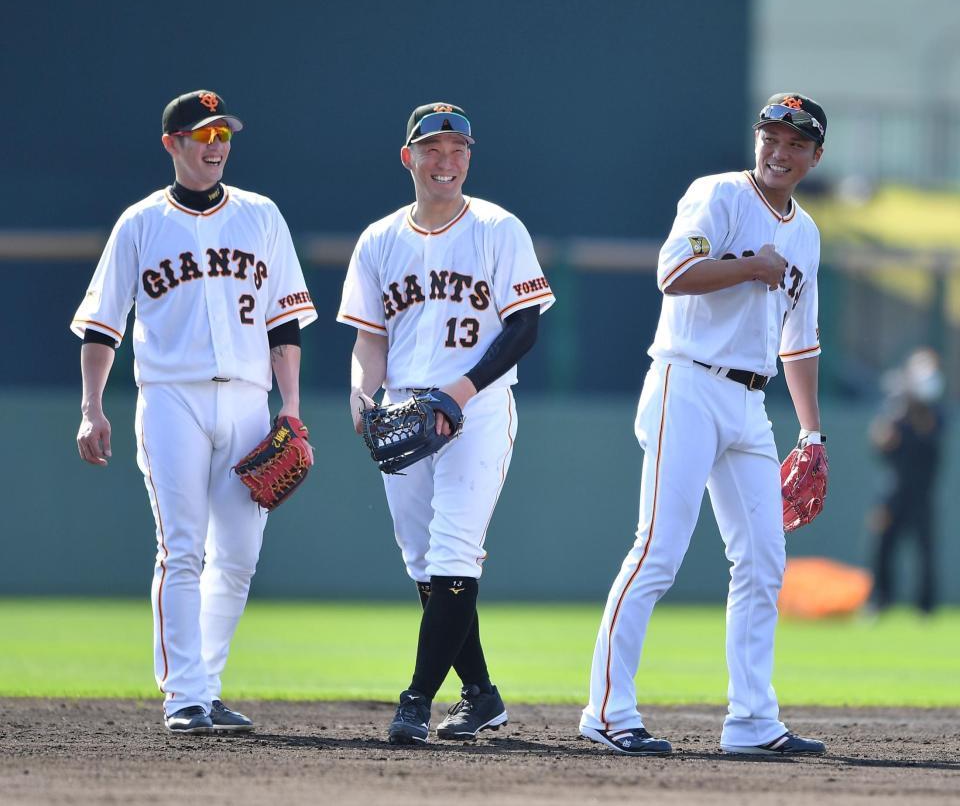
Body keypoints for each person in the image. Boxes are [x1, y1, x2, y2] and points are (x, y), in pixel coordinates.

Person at [579, 94, 830, 756]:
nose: (779, 151)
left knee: (764, 560)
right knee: (658, 549)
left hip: (752, 403)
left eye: (795, 142)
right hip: (686, 382)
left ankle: (751, 720)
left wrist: (812, 434)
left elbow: (799, 343)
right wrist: (752, 265)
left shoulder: (806, 233)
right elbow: (673, 272)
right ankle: (606, 710)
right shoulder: (717, 195)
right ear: (757, 140)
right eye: (771, 136)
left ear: (815, 156)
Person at [72, 90, 316, 734]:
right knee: (181, 548)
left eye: (223, 134)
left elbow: (284, 321)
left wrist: (288, 409)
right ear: (171, 144)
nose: (215, 145)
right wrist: (91, 408)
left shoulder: (261, 216)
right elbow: (101, 327)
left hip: (246, 399)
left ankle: (203, 685)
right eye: (202, 134)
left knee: (236, 555)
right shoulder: (140, 223)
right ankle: (182, 695)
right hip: (171, 396)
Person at [337, 103, 554, 744]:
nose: (446, 161)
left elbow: (525, 325)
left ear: (469, 158)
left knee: (455, 549)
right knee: (421, 562)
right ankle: (481, 696)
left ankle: (415, 702)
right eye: (433, 148)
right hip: (405, 405)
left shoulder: (496, 227)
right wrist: (362, 396)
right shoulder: (379, 239)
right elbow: (370, 337)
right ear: (409, 158)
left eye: (458, 149)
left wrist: (458, 394)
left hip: (478, 405)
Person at [868, 347, 945, 614]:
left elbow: (931, 433)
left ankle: (926, 606)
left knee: (925, 550)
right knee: (883, 546)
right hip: (894, 489)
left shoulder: (936, 411)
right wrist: (900, 406)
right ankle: (880, 600)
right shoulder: (895, 405)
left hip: (923, 491)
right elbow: (881, 440)